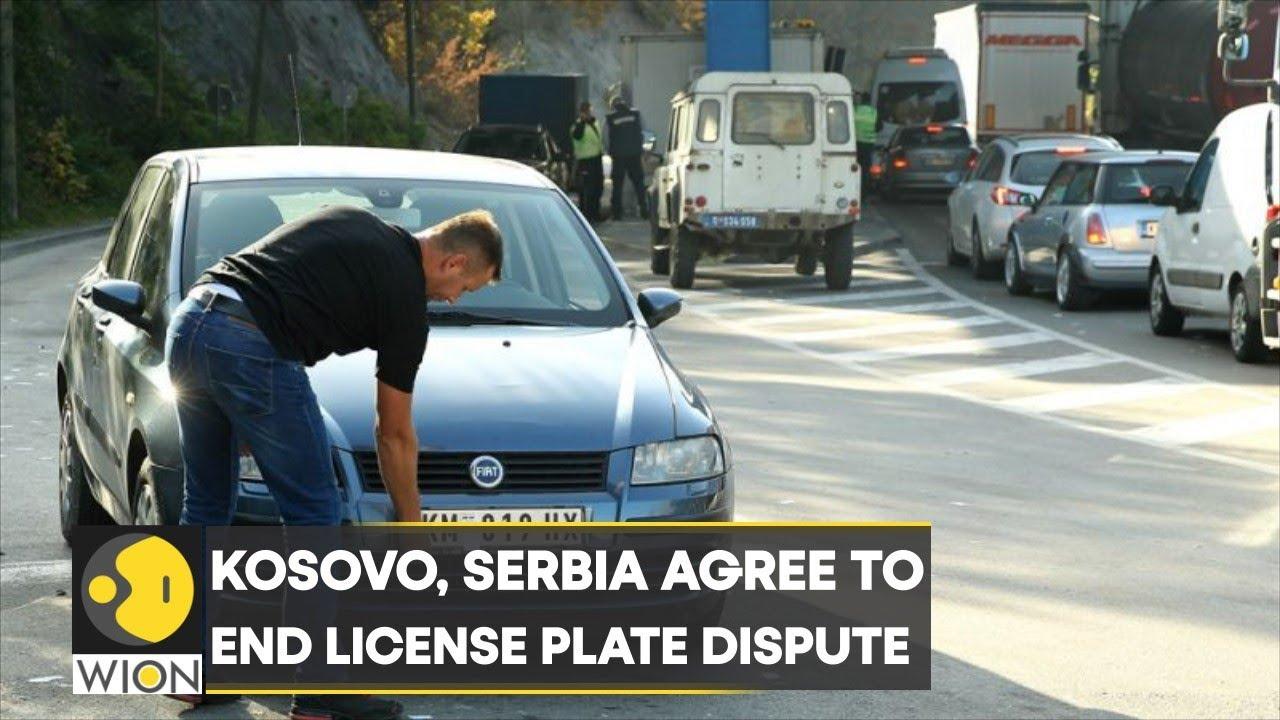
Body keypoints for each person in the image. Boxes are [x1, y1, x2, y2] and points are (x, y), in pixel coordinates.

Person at [164, 206, 502, 720]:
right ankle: (320, 685)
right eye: (467, 288)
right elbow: (393, 434)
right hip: (252, 345)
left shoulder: (357, 223)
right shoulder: (406, 305)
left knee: (206, 503)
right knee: (316, 515)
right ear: (454, 262)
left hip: (192, 323)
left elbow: (278, 279)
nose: (455, 299)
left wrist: (244, 403)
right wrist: (412, 525)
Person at [606, 96, 648, 220]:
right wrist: (642, 149)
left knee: (617, 185)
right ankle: (644, 210)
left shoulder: (610, 118)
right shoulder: (636, 114)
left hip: (618, 156)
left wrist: (610, 151)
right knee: (639, 184)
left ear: (613, 106)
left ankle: (617, 213)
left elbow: (605, 137)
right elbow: (644, 132)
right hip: (635, 154)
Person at [571, 101, 605, 222]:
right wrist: (583, 121)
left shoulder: (595, 122)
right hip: (585, 161)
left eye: (590, 111)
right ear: (581, 113)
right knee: (587, 190)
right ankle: (586, 216)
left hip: (596, 160)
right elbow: (577, 136)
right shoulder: (577, 126)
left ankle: (595, 213)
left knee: (598, 188)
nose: (589, 113)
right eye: (587, 112)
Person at [854, 91, 878, 185]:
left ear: (862, 100)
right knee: (866, 167)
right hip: (868, 144)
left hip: (856, 143)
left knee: (856, 165)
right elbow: (879, 126)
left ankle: (856, 184)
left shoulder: (855, 109)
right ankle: (865, 187)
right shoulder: (874, 112)